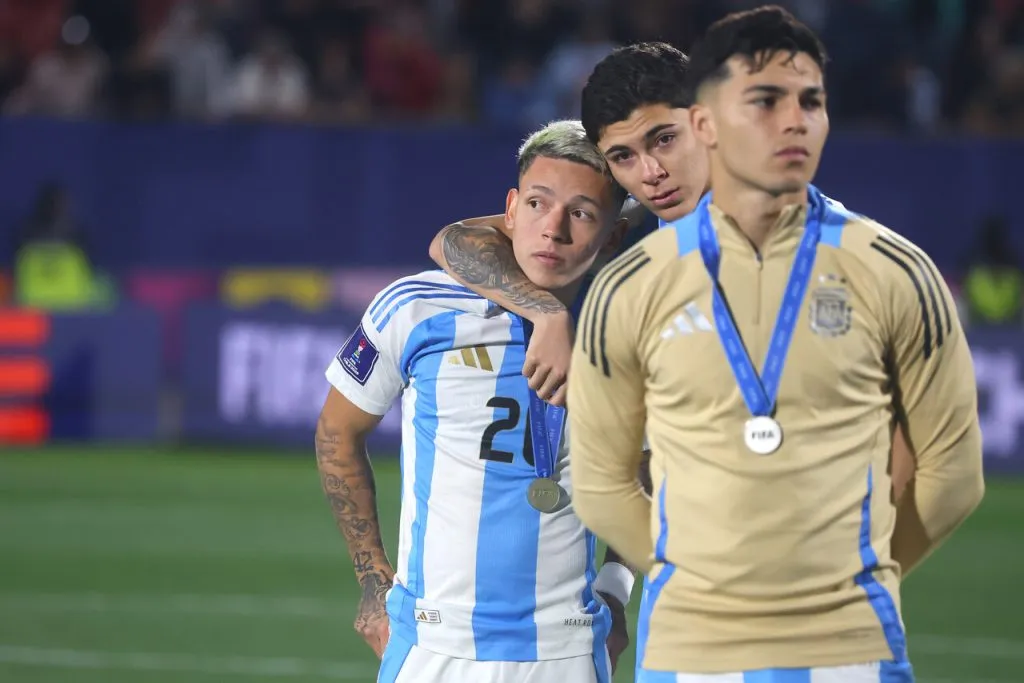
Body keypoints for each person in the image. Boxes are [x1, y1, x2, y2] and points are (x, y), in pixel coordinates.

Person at [568, 6, 985, 683]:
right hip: (687, 644)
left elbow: (948, 472)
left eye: (664, 140)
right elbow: (604, 481)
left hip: (841, 642)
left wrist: (843, 581)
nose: (650, 172)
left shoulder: (880, 267)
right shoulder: (625, 279)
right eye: (624, 158)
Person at [314, 119, 634, 683]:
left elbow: (654, 467)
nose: (552, 229)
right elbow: (338, 433)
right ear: (509, 211)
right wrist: (372, 582)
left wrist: (616, 590)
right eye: (538, 203)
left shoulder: (631, 329)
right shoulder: (414, 307)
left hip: (566, 652)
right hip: (433, 646)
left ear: (610, 235)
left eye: (580, 213)